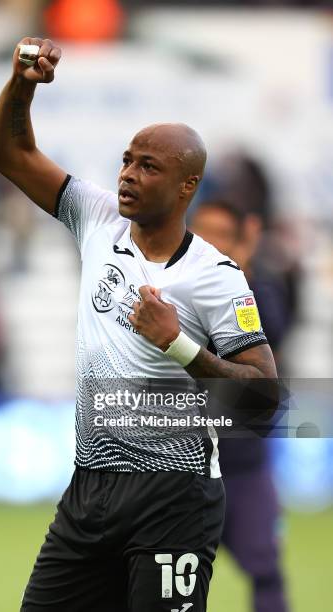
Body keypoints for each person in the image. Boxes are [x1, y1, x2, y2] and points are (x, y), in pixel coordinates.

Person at [0, 37, 277, 612]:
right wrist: (23, 84)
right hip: (90, 488)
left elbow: (265, 400)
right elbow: (10, 155)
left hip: (175, 496)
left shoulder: (216, 277)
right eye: (126, 160)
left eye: (149, 166)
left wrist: (180, 344)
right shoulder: (97, 219)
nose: (128, 174)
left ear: (187, 186)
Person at [190, 199, 290, 612]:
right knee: (167, 583)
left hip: (244, 465)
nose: (210, 243)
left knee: (266, 572)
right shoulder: (169, 293)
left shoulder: (258, 294)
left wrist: (240, 277)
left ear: (240, 242)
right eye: (202, 233)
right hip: (185, 467)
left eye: (221, 235)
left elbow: (272, 335)